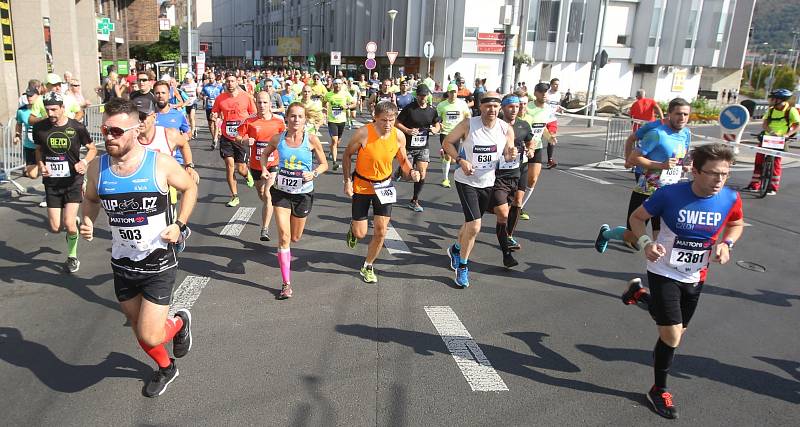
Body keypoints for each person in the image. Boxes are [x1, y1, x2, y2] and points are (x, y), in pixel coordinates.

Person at [79, 98, 198, 398]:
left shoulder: (158, 163)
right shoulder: (98, 168)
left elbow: (190, 188)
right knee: (137, 328)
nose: (108, 136)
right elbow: (91, 200)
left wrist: (180, 224)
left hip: (158, 262)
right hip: (122, 263)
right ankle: (167, 368)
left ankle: (180, 321)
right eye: (105, 129)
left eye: (116, 131)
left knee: (150, 333)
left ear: (135, 129)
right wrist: (87, 220)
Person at [621, 143, 743, 419]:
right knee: (672, 334)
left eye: (725, 174)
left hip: (696, 275)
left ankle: (639, 295)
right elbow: (637, 217)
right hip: (663, 269)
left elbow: (735, 224)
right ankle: (658, 389)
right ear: (695, 171)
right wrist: (645, 243)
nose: (719, 180)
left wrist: (727, 244)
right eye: (713, 173)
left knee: (674, 334)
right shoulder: (670, 194)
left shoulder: (731, 198)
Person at [595, 98, 692, 252]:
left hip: (669, 191)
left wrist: (685, 165)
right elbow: (634, 158)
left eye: (686, 115)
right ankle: (606, 234)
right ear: (669, 114)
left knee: (661, 237)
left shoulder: (686, 133)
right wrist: (660, 166)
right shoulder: (656, 133)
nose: (682, 118)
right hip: (647, 189)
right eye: (678, 114)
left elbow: (681, 157)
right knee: (633, 236)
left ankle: (659, 270)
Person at [442, 92, 517, 288]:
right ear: (480, 107)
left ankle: (456, 249)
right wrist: (460, 160)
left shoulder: (506, 129)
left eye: (495, 106)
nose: (491, 110)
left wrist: (512, 154)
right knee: (475, 225)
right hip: (466, 180)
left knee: (469, 223)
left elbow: (509, 156)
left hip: (488, 182)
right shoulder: (468, 124)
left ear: (499, 108)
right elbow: (447, 142)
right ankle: (463, 267)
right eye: (487, 106)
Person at [342, 101, 420, 284]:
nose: (388, 124)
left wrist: (411, 171)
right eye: (383, 120)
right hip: (362, 185)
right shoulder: (363, 133)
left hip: (384, 186)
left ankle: (368, 265)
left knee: (380, 231)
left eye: (391, 120)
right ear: (375, 118)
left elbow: (402, 160)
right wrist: (347, 181)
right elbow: (347, 155)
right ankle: (354, 229)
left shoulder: (399, 135)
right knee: (361, 233)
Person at [259, 103, 328, 298]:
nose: (296, 120)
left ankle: (287, 251)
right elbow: (265, 155)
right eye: (293, 116)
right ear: (287, 118)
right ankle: (286, 283)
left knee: (295, 237)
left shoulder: (311, 140)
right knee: (283, 236)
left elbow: (324, 164)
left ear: (305, 120)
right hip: (281, 192)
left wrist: (313, 173)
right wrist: (264, 169)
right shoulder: (278, 139)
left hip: (303, 194)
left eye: (300, 116)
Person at [32, 92, 98, 273]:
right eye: (47, 110)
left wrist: (84, 162)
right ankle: (71, 225)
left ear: (62, 108)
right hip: (52, 183)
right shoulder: (39, 128)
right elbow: (38, 150)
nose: (51, 113)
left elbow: (92, 149)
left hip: (73, 181)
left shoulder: (76, 127)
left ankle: (72, 256)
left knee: (68, 224)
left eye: (54, 109)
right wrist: (40, 164)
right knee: (55, 227)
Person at [236, 91, 286, 241]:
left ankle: (265, 229)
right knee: (262, 194)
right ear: (255, 103)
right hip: (256, 164)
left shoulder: (279, 121)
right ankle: (268, 207)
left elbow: (286, 138)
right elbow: (238, 136)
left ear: (270, 103)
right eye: (259, 102)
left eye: (265, 102)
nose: (262, 105)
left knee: (268, 193)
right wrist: (244, 141)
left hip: (273, 163)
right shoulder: (249, 121)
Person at [491, 94, 533, 267]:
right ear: (503, 108)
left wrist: (530, 150)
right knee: (502, 213)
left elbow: (530, 141)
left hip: (519, 170)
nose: (514, 109)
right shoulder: (496, 125)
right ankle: (506, 252)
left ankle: (508, 236)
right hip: (500, 173)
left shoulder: (524, 125)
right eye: (510, 106)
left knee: (518, 202)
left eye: (517, 106)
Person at [211, 73, 257, 207]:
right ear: (225, 83)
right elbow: (215, 113)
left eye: (232, 81)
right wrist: (214, 117)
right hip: (226, 137)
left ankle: (246, 173)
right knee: (230, 167)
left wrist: (251, 130)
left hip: (241, 138)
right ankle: (234, 196)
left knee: (241, 169)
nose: (230, 83)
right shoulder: (220, 98)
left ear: (237, 82)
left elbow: (254, 114)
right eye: (228, 81)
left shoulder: (246, 97)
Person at [393, 84, 441, 212]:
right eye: (420, 95)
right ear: (417, 95)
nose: (423, 98)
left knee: (421, 174)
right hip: (407, 145)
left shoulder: (432, 110)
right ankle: (400, 171)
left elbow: (437, 125)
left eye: (425, 95)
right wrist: (407, 130)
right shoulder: (409, 109)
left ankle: (414, 200)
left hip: (423, 146)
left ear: (428, 95)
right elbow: (397, 123)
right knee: (408, 176)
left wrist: (434, 130)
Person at [745, 88, 799, 195]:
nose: (771, 100)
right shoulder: (771, 110)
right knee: (759, 159)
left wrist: (787, 135)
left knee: (776, 162)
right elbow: (765, 124)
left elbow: (798, 124)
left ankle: (772, 187)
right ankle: (754, 185)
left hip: (780, 139)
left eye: (773, 98)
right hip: (767, 137)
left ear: (780, 100)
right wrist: (770, 131)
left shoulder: (791, 111)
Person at [518, 85, 556, 221]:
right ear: (536, 93)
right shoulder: (527, 107)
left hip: (537, 146)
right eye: (542, 92)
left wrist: (550, 137)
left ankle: (519, 207)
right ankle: (508, 201)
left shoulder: (548, 109)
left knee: (532, 179)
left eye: (546, 91)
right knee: (516, 177)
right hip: (523, 146)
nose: (545, 94)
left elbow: (543, 127)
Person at [437, 83, 472, 188]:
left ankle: (444, 154)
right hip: (445, 133)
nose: (453, 94)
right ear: (448, 93)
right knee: (448, 157)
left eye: (455, 92)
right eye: (451, 92)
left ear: (457, 93)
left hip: (457, 133)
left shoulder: (462, 104)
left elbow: (468, 116)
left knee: (453, 159)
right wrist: (439, 124)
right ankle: (445, 179)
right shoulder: (441, 105)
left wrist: (467, 126)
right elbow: (437, 119)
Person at [323, 78, 357, 171]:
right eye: (335, 84)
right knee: (334, 140)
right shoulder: (329, 94)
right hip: (332, 120)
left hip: (342, 120)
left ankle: (332, 150)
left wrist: (348, 106)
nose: (337, 86)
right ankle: (334, 162)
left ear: (341, 85)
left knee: (337, 142)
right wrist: (324, 111)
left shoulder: (345, 93)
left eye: (339, 84)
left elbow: (354, 103)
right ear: (333, 85)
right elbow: (324, 102)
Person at [15, 89, 40, 179]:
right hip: (30, 146)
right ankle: (38, 167)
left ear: (38, 95)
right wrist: (17, 135)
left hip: (43, 146)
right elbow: (18, 124)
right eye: (28, 95)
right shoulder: (21, 111)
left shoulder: (45, 109)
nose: (29, 98)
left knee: (49, 174)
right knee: (33, 175)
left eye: (31, 95)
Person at [200, 74, 223, 149]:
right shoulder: (205, 86)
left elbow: (223, 95)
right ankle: (214, 138)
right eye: (209, 78)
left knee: (216, 122)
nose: (210, 79)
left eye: (212, 78)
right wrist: (203, 97)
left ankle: (215, 138)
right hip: (208, 107)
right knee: (210, 124)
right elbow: (201, 95)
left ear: (214, 78)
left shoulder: (219, 86)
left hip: (217, 107)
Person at [544, 78, 563, 169]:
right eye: (555, 84)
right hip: (542, 119)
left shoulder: (559, 95)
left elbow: (556, 106)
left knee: (552, 139)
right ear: (551, 85)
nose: (557, 86)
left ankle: (550, 160)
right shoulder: (546, 94)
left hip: (552, 120)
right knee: (536, 140)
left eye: (558, 84)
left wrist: (560, 109)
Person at [180, 73, 199, 138]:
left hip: (193, 102)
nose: (187, 80)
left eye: (188, 78)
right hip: (186, 103)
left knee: (191, 116)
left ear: (191, 78)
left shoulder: (195, 84)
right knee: (187, 118)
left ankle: (193, 131)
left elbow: (198, 92)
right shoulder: (183, 85)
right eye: (186, 78)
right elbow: (180, 93)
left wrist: (199, 95)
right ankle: (191, 129)